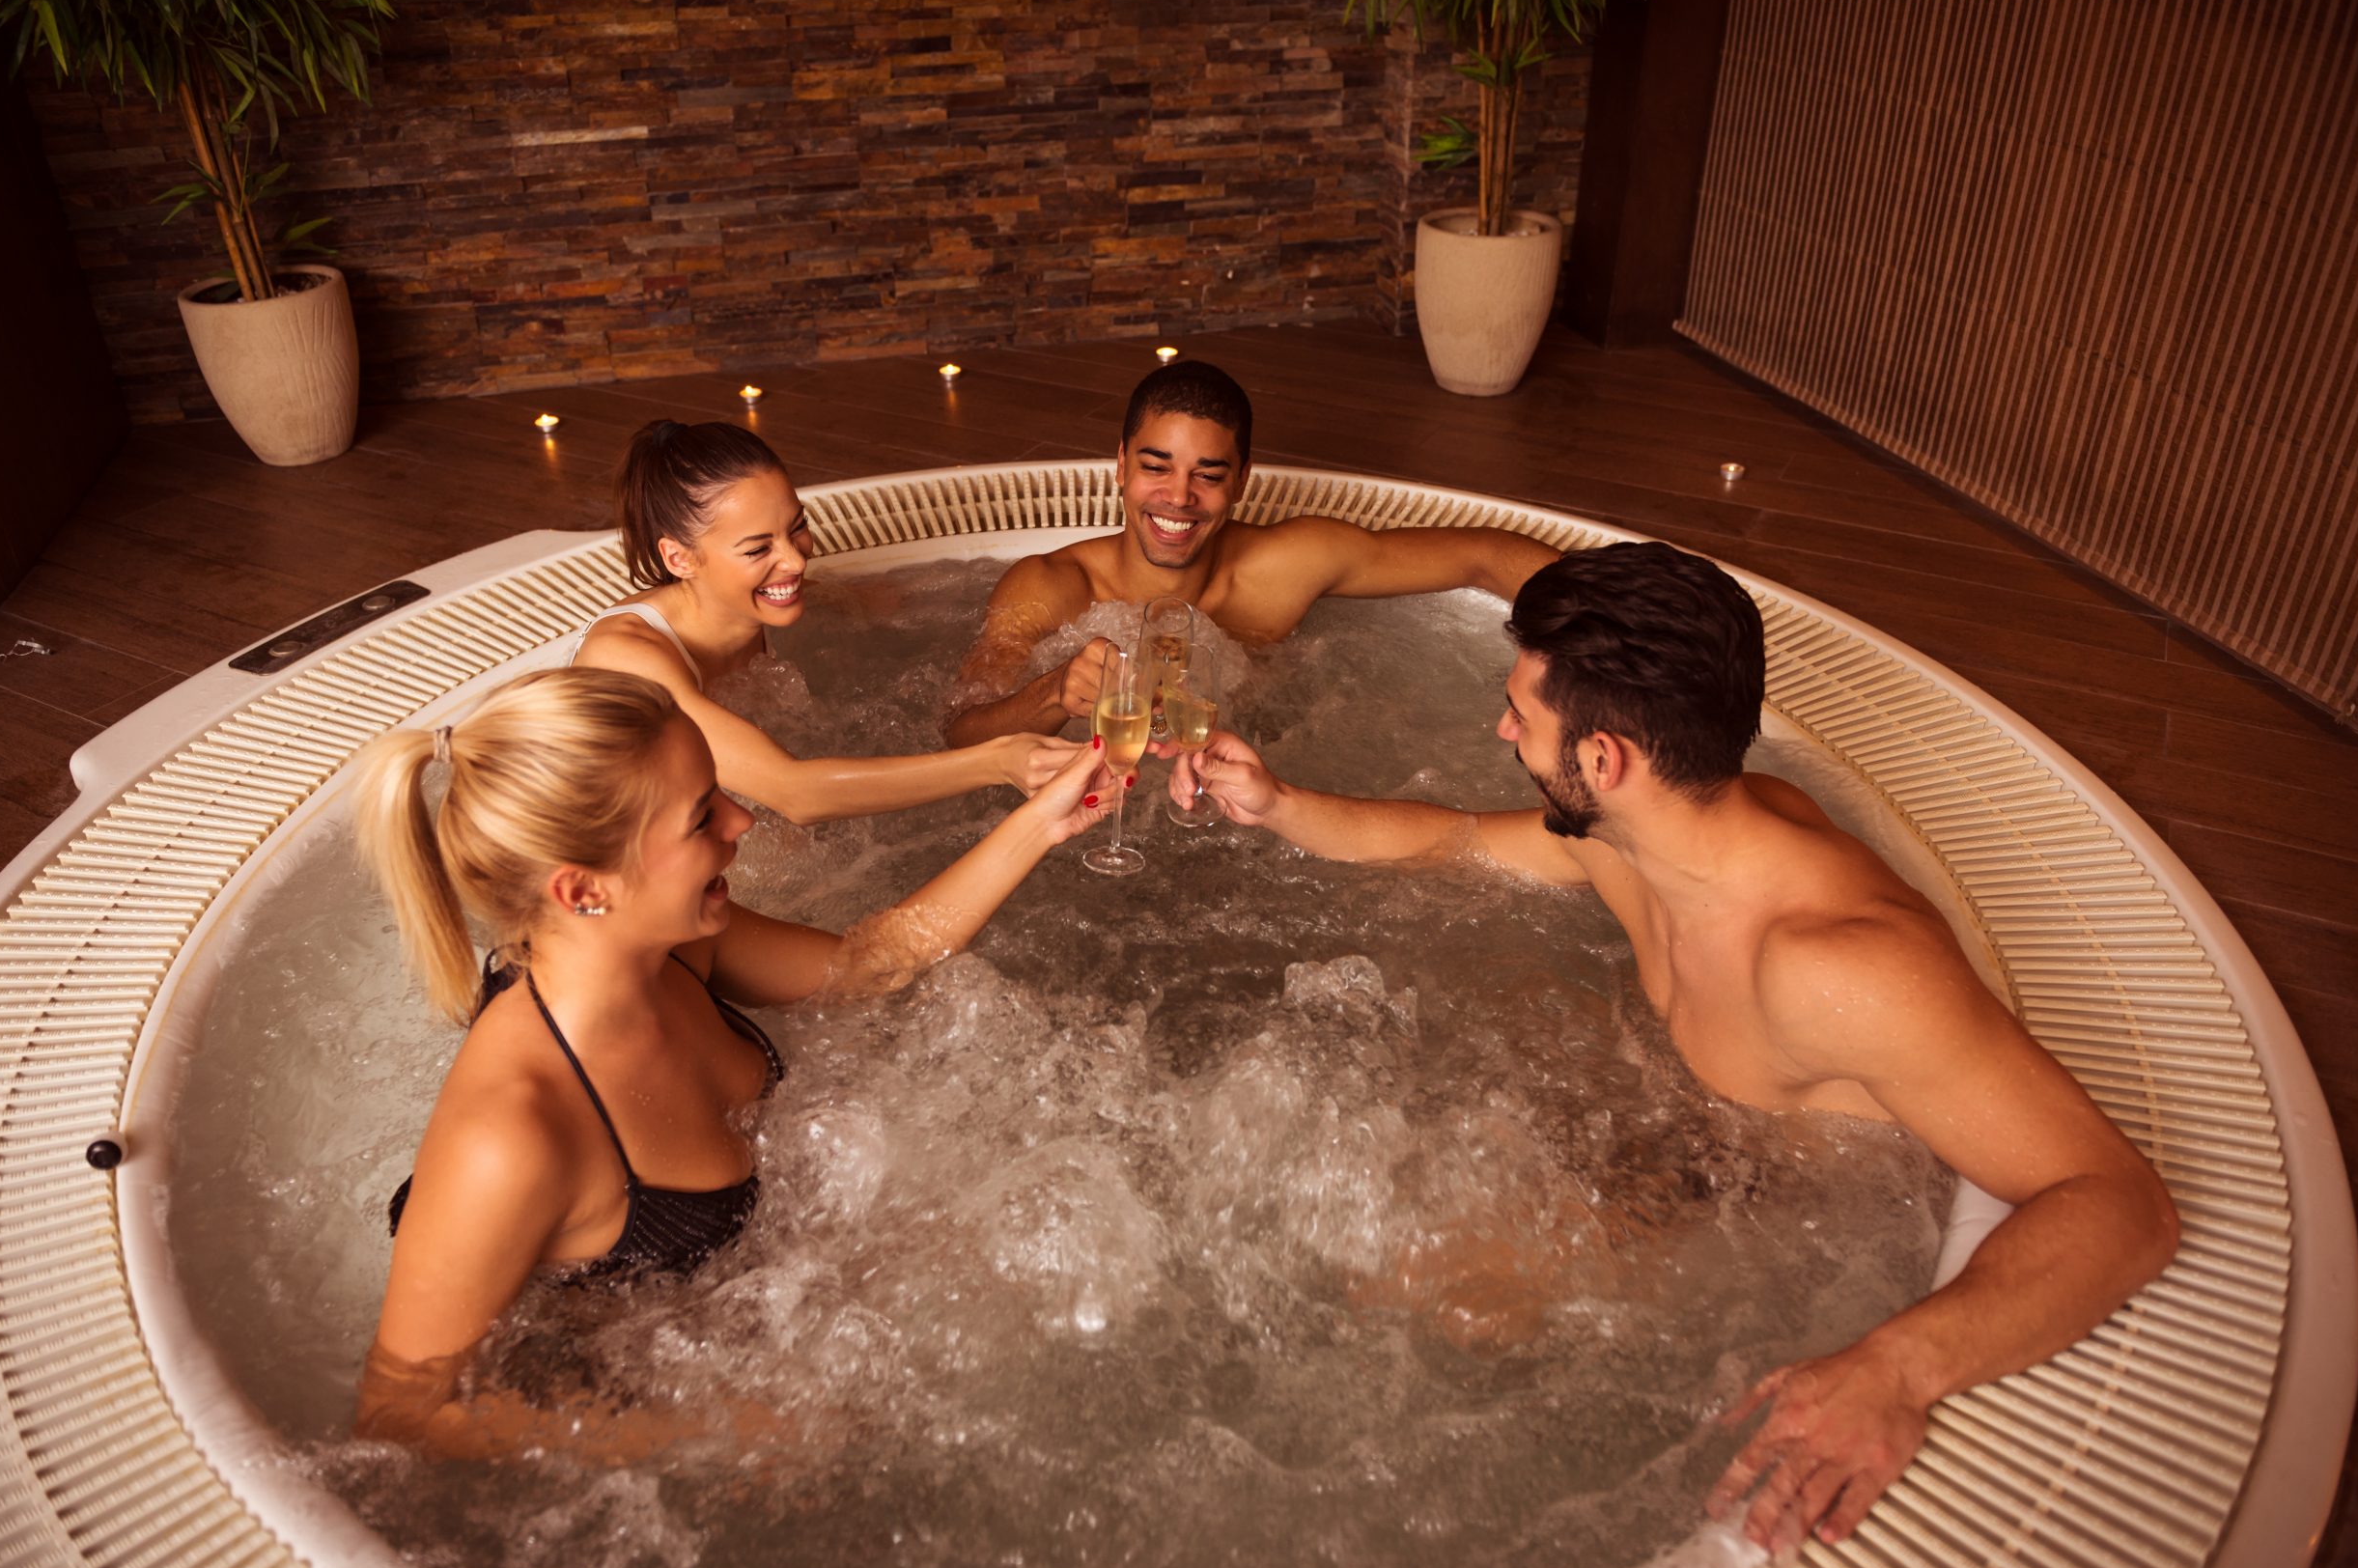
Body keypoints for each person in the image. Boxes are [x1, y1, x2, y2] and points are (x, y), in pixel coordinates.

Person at [1168, 540, 2179, 1554]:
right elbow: (1456, 840)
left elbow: (2121, 1201)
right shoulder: (1639, 838)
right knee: (1357, 1246)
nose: (1502, 728)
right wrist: (1279, 803)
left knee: (1426, 1309)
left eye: (1521, 714)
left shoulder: (1842, 967)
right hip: (1677, 1123)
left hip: (1769, 1209)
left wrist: (1899, 1366)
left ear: (1604, 759)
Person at [351, 667, 1116, 1458]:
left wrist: (1040, 823)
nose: (742, 818)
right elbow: (397, 1416)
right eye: (700, 817)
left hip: (757, 1311)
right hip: (621, 1399)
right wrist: (723, 1434)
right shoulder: (512, 1136)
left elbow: (866, 964)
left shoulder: (675, 944)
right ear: (582, 890)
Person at [943, 360, 1559, 744]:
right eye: (1156, 468)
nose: (1178, 497)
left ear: (1241, 480)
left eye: (1208, 475)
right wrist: (1053, 692)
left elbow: (1484, 554)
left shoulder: (1285, 566)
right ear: (1122, 466)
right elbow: (960, 732)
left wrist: (1604, 633)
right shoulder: (1052, 586)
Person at [573, 420, 1080, 823]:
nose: (795, 561)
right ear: (679, 559)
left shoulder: (754, 601)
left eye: (798, 527)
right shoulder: (627, 660)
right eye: (758, 549)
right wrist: (996, 760)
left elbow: (883, 603)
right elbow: (796, 793)